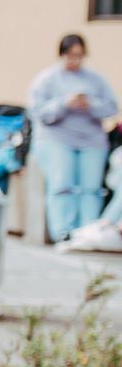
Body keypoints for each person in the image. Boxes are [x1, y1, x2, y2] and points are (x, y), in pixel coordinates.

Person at [28, 34, 118, 241]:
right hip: (56, 138)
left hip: (91, 140)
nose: (75, 60)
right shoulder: (47, 79)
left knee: (91, 188)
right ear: (62, 55)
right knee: (62, 184)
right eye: (71, 56)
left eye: (79, 56)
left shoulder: (96, 80)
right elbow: (39, 112)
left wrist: (91, 105)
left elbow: (112, 108)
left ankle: (87, 233)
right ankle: (63, 232)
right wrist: (64, 103)